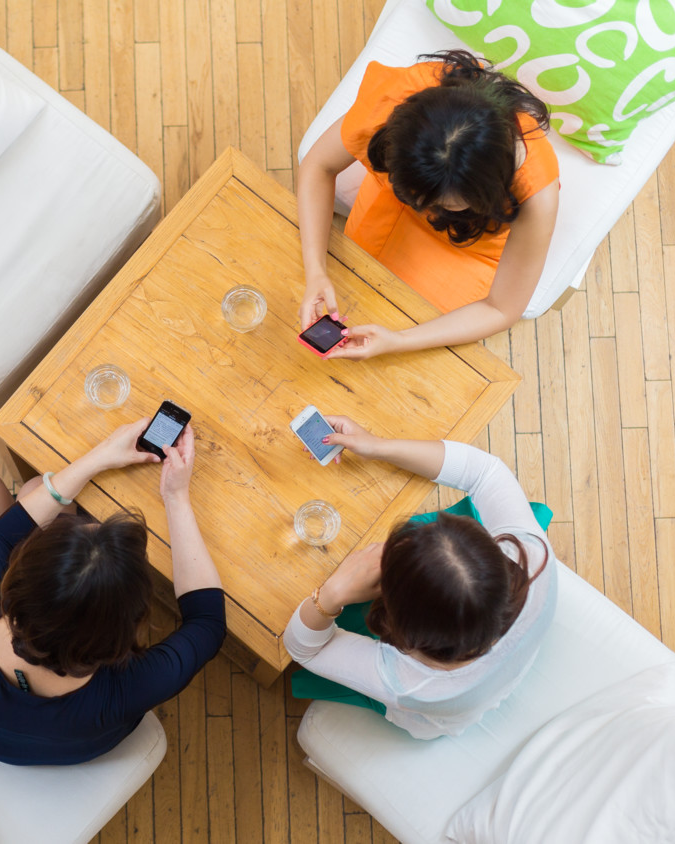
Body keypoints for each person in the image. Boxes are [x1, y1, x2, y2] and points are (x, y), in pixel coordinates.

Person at [0, 420, 225, 765]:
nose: (91, 522)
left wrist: (99, 457)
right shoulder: (129, 688)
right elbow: (207, 623)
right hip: (77, 740)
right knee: (37, 492)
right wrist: (175, 497)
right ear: (123, 634)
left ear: (9, 582)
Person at [284, 416, 556, 739]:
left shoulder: (410, 682)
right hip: (503, 659)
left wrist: (333, 593)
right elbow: (486, 471)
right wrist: (378, 446)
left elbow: (305, 649)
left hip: (433, 712)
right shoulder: (534, 558)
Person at [296, 50, 559, 360]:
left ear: (486, 193)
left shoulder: (536, 194)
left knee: (411, 333)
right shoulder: (402, 101)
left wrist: (398, 341)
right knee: (348, 282)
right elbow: (319, 165)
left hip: (469, 250)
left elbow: (501, 309)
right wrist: (316, 271)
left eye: (442, 202)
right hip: (388, 207)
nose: (424, 209)